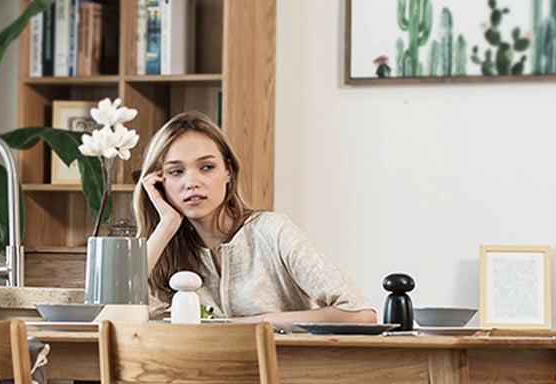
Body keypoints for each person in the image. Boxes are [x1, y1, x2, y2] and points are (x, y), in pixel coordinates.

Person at [134, 111, 376, 326]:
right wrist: (166, 225)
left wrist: (251, 323)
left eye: (207, 167)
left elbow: (359, 313)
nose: (192, 182)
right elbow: (115, 319)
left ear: (228, 171)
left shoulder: (272, 231)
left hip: (280, 373)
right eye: (176, 171)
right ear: (158, 181)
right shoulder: (163, 249)